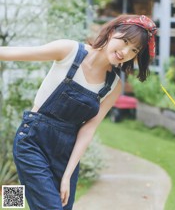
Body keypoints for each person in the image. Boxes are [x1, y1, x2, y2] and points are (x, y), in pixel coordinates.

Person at [0, 14, 157, 210]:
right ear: (111, 32)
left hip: (66, 154)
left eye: (134, 50)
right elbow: (17, 53)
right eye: (125, 41)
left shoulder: (113, 86)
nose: (125, 51)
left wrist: (67, 176)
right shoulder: (69, 51)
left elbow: (88, 130)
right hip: (33, 141)